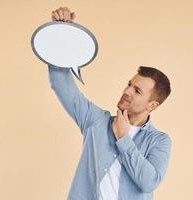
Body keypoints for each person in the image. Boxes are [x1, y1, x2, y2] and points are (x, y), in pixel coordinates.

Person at [49, 6, 172, 200]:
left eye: (137, 91)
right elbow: (62, 86)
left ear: (152, 105)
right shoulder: (95, 120)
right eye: (129, 84)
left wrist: (123, 138)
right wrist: (61, 34)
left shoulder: (159, 141)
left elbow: (148, 182)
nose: (127, 91)